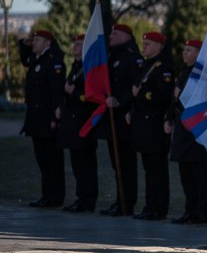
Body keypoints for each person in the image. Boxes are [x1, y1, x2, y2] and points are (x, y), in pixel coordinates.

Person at [130, 32, 175, 220]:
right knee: (149, 169)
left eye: (148, 44)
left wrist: (141, 95)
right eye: (144, 43)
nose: (144, 46)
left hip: (156, 124)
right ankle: (149, 206)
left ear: (158, 46)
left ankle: (159, 207)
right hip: (144, 125)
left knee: (158, 169)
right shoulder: (146, 65)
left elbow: (163, 96)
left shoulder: (163, 67)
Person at [99, 23, 142, 216]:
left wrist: (120, 101)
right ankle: (120, 200)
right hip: (112, 118)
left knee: (126, 164)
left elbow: (136, 88)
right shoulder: (112, 56)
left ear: (126, 35)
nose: (110, 37)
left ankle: (127, 202)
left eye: (115, 34)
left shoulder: (132, 58)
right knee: (117, 164)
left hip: (125, 118)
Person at [19, 30, 66, 208]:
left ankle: (55, 197)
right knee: (42, 160)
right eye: (34, 40)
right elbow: (25, 60)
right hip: (36, 119)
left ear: (47, 43)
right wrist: (24, 44)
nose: (34, 44)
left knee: (52, 160)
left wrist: (55, 114)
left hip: (47, 119)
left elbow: (56, 91)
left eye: (38, 40)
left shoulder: (53, 61)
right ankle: (46, 195)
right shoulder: (38, 60)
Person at [167, 39, 207, 224]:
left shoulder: (201, 74)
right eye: (184, 50)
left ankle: (201, 212)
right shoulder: (184, 72)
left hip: (195, 131)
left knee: (198, 174)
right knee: (186, 174)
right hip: (182, 128)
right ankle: (189, 210)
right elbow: (175, 100)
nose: (184, 53)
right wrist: (168, 118)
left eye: (189, 50)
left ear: (199, 53)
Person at [58, 34, 99, 212]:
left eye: (78, 44)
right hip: (72, 123)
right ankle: (81, 197)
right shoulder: (76, 66)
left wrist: (73, 92)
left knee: (86, 164)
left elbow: (90, 96)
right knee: (77, 164)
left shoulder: (89, 68)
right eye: (74, 43)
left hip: (84, 122)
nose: (74, 46)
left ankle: (88, 200)